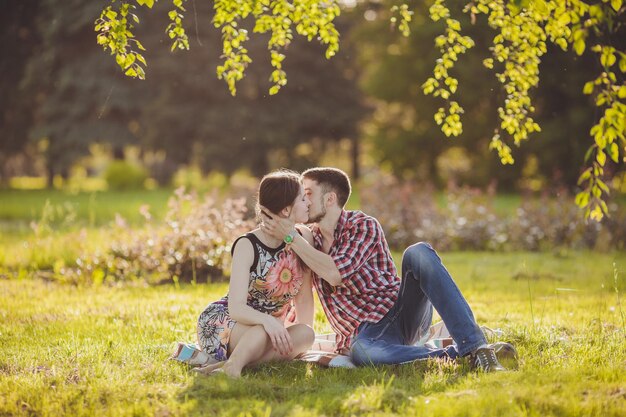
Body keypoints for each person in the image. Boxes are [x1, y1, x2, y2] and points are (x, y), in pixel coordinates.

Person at [261, 167, 516, 371]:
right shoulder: (311, 240)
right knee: (363, 352)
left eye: (307, 194)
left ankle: (477, 347)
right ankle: (460, 354)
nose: (302, 201)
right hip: (366, 336)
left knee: (417, 252)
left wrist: (291, 238)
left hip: (399, 314)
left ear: (329, 199)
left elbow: (335, 273)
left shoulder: (362, 225)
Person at [194, 170, 316, 377]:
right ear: (286, 210)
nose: (309, 203)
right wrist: (268, 321)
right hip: (226, 323)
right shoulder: (247, 245)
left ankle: (228, 366)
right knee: (260, 331)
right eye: (303, 199)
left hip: (271, 327)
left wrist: (299, 345)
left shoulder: (303, 237)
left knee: (306, 334)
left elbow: (303, 296)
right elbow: (236, 308)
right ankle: (233, 368)